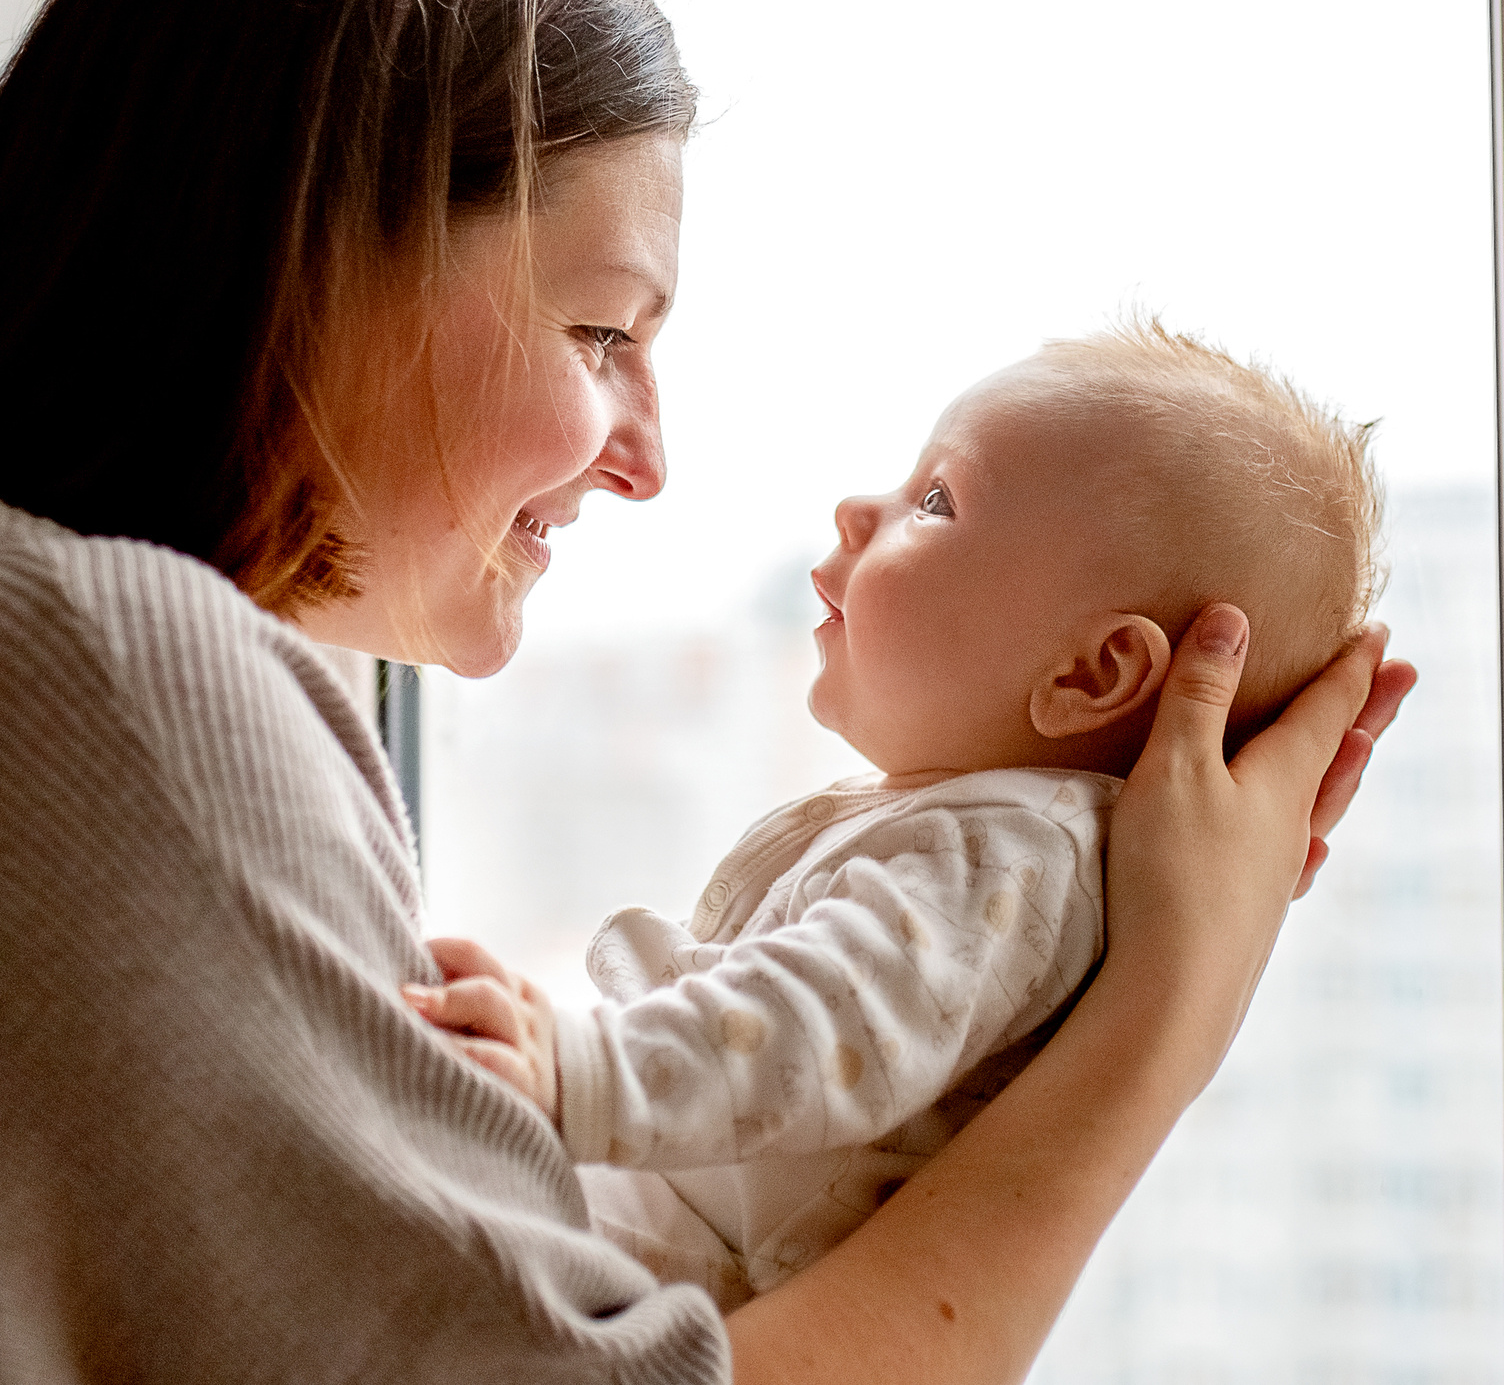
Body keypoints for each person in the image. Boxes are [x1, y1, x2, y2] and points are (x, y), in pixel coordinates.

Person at [0, 0, 1411, 1383]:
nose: (642, 454)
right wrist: (1156, 1017)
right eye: (596, 328)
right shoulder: (107, 669)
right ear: (318, 246)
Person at [406, 321, 1384, 1310]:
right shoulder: (985, 837)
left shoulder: (1005, 854)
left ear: (1091, 673)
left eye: (934, 500)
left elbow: (824, 1023)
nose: (855, 512)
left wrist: (581, 1070)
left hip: (679, 1283)